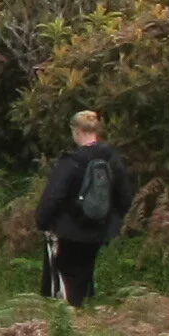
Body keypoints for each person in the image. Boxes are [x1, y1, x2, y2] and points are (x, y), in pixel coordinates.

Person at [33, 108, 135, 307]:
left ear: (77, 131)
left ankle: (66, 317)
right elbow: (124, 197)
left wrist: (42, 221)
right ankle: (83, 311)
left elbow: (53, 195)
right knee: (84, 270)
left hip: (67, 229)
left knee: (61, 276)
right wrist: (110, 221)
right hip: (98, 229)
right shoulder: (112, 159)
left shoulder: (71, 161)